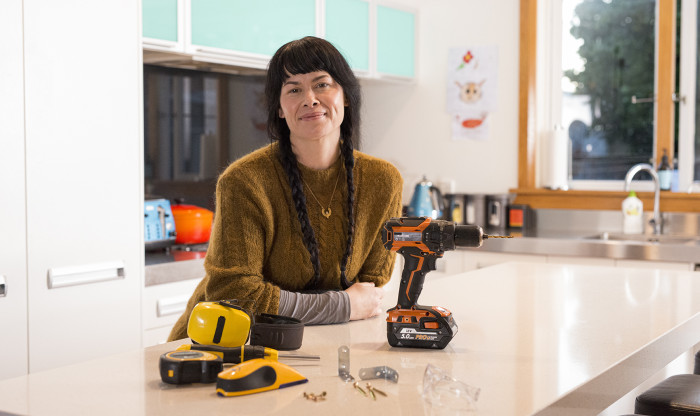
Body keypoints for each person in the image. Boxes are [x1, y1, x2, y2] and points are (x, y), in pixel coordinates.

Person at [168, 36, 403, 340]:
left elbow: (369, 292)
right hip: (222, 343)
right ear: (279, 108)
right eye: (294, 89)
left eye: (322, 84)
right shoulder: (244, 181)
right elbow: (235, 294)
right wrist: (342, 305)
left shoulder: (383, 181)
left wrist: (343, 305)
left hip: (314, 343)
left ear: (345, 95)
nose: (310, 99)